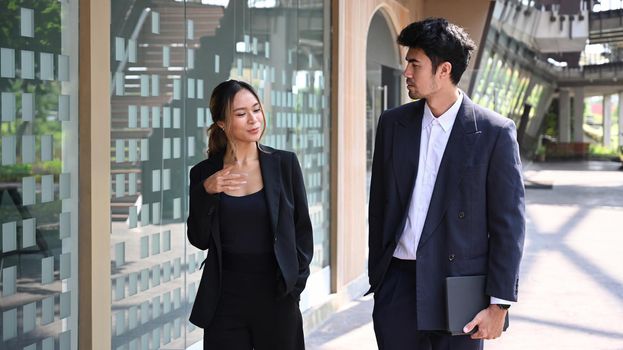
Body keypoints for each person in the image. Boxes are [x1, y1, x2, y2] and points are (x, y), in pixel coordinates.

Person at [367, 18, 525, 350]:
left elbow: (508, 225)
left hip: (460, 291)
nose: (406, 72)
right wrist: (379, 280)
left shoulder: (494, 133)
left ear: (444, 70)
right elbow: (379, 206)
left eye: (415, 63)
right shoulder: (393, 124)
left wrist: (499, 305)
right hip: (397, 287)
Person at [187, 79, 313, 350]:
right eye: (241, 114)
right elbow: (199, 239)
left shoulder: (284, 164)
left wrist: (295, 286)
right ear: (221, 123)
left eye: (256, 110)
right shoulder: (204, 174)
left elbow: (302, 230)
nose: (253, 120)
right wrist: (205, 192)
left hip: (277, 296)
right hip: (225, 299)